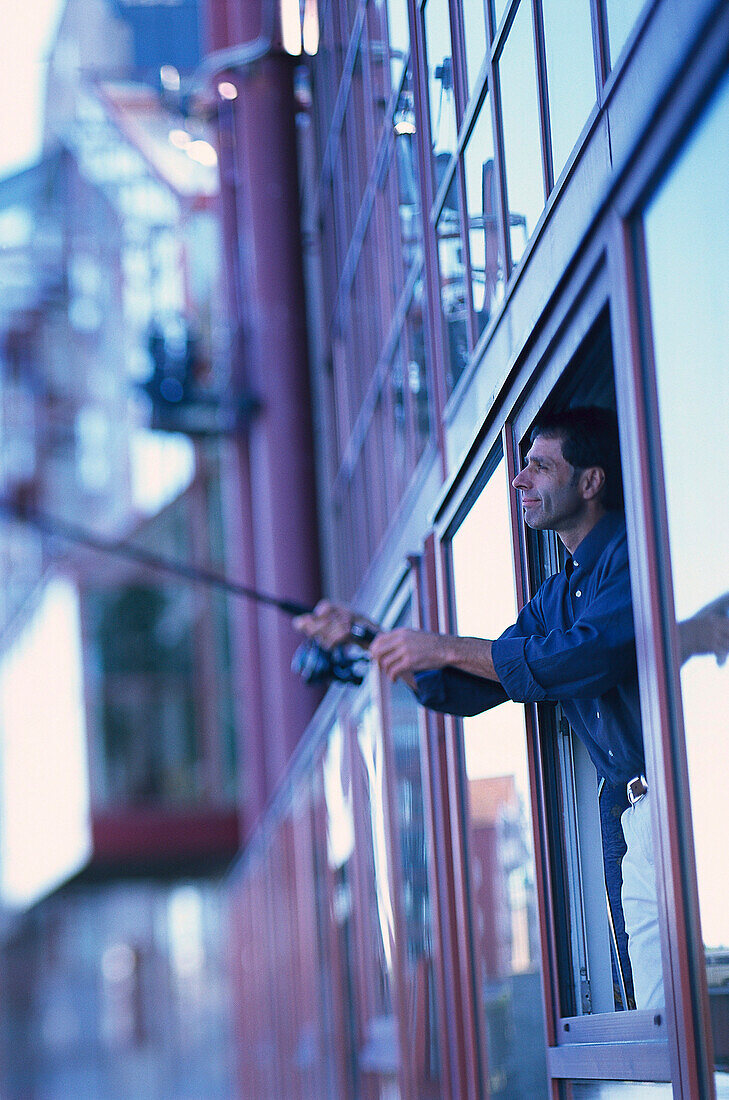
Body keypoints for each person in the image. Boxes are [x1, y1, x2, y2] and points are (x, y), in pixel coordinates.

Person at [294, 406, 729, 1011]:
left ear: (589, 481)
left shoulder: (633, 555)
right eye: (522, 467)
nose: (520, 480)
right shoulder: (555, 594)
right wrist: (369, 637)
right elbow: (479, 685)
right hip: (627, 812)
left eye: (539, 467)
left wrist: (439, 644)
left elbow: (582, 659)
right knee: (662, 1015)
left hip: (691, 800)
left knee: (703, 1015)